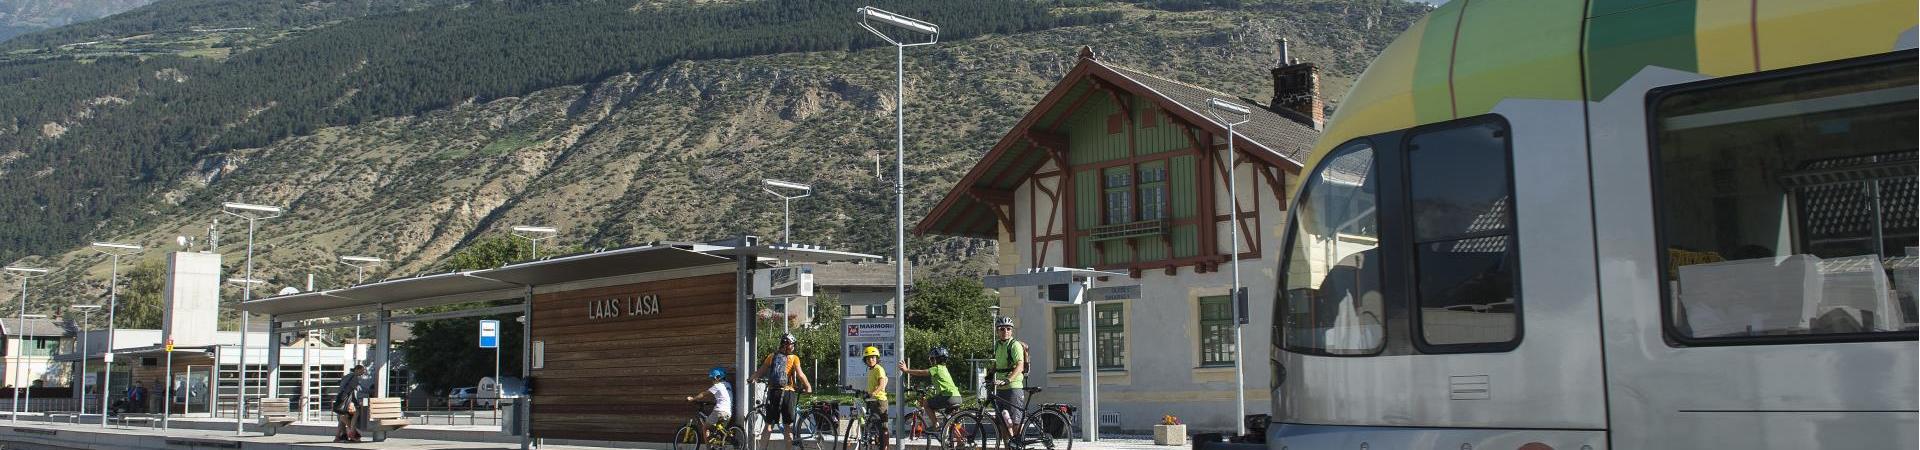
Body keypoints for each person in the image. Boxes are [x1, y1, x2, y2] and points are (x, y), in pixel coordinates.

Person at [752, 333, 811, 449]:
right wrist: (808, 386)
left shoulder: (771, 356)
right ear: (787, 345)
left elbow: (760, 371)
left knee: (768, 425)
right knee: (787, 426)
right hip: (788, 393)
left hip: (774, 393)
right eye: (792, 345)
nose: (793, 347)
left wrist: (751, 378)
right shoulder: (794, 358)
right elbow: (800, 374)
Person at [897, 347, 965, 426]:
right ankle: (954, 435)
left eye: (932, 359)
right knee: (948, 421)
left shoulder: (937, 368)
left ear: (937, 359)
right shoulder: (944, 369)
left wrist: (906, 370)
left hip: (948, 397)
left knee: (926, 404)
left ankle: (935, 425)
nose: (931, 361)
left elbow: (921, 373)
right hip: (957, 397)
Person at [989, 316, 1027, 445]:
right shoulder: (997, 345)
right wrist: (989, 375)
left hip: (1013, 388)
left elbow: (1020, 366)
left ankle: (1019, 444)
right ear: (997, 331)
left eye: (1008, 329)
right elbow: (997, 364)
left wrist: (1008, 380)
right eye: (1002, 329)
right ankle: (1008, 446)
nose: (1005, 331)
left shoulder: (1014, 345)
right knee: (1002, 423)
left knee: (1015, 422)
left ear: (1011, 331)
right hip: (999, 388)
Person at [685, 366, 733, 444]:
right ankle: (718, 443)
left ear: (717, 378)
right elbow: (722, 397)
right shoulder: (728, 385)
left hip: (719, 411)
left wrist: (692, 399)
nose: (712, 381)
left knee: (705, 427)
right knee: (715, 431)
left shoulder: (717, 386)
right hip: (728, 413)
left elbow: (703, 394)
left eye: (712, 378)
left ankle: (708, 447)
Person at [860, 346, 889, 448]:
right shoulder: (871, 370)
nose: (870, 360)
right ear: (865, 360)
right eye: (868, 358)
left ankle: (885, 447)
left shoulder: (879, 369)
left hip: (880, 401)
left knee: (883, 427)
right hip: (872, 400)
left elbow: (881, 384)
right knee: (874, 424)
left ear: (877, 358)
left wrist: (874, 393)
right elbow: (872, 385)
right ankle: (876, 443)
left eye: (873, 357)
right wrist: (867, 392)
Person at [334, 365, 366, 443]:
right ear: (357, 370)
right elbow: (359, 389)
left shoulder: (346, 376)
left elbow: (348, 391)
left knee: (342, 418)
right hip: (345, 402)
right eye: (362, 371)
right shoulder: (354, 377)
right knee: (356, 413)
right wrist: (371, 391)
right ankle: (353, 434)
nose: (363, 373)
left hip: (340, 401)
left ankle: (339, 437)